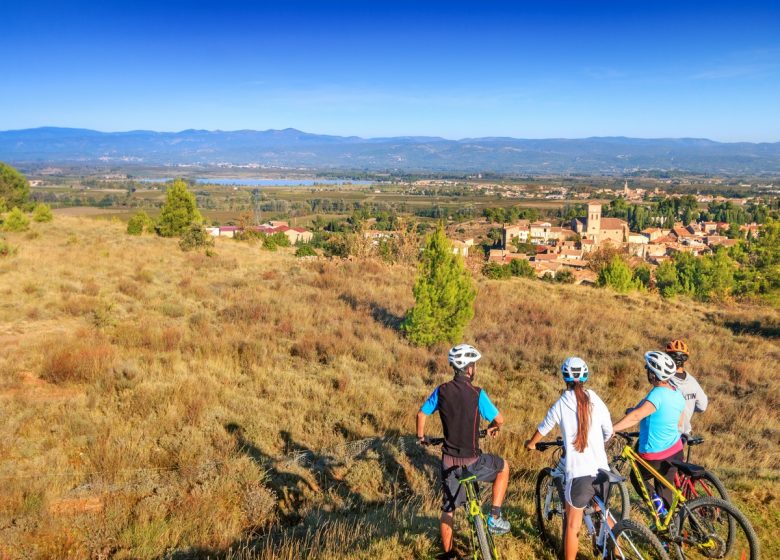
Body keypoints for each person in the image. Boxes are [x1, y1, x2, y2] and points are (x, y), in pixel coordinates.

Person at [416, 343, 511, 557]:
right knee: (504, 467)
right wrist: (492, 428)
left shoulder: (441, 390)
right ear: (469, 369)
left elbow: (421, 415)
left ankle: (449, 554)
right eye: (474, 365)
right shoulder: (477, 393)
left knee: (448, 510)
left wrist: (422, 437)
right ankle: (494, 517)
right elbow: (500, 420)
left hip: (449, 462)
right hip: (473, 462)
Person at [525, 357, 613, 560]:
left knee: (573, 526)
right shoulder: (595, 398)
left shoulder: (561, 403)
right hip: (603, 471)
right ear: (585, 376)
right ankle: (616, 551)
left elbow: (543, 429)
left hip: (580, 475)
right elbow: (608, 431)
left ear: (564, 377)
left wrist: (530, 444)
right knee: (604, 515)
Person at [612, 351, 685, 510]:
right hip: (675, 450)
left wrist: (612, 428)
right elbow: (679, 421)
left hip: (654, 456)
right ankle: (667, 526)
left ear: (653, 374)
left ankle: (658, 508)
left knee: (637, 478)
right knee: (665, 486)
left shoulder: (656, 394)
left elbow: (636, 416)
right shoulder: (677, 393)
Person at [665, 339, 708, 435]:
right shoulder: (693, 382)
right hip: (685, 433)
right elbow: (702, 406)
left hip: (666, 433)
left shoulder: (664, 380)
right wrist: (689, 405)